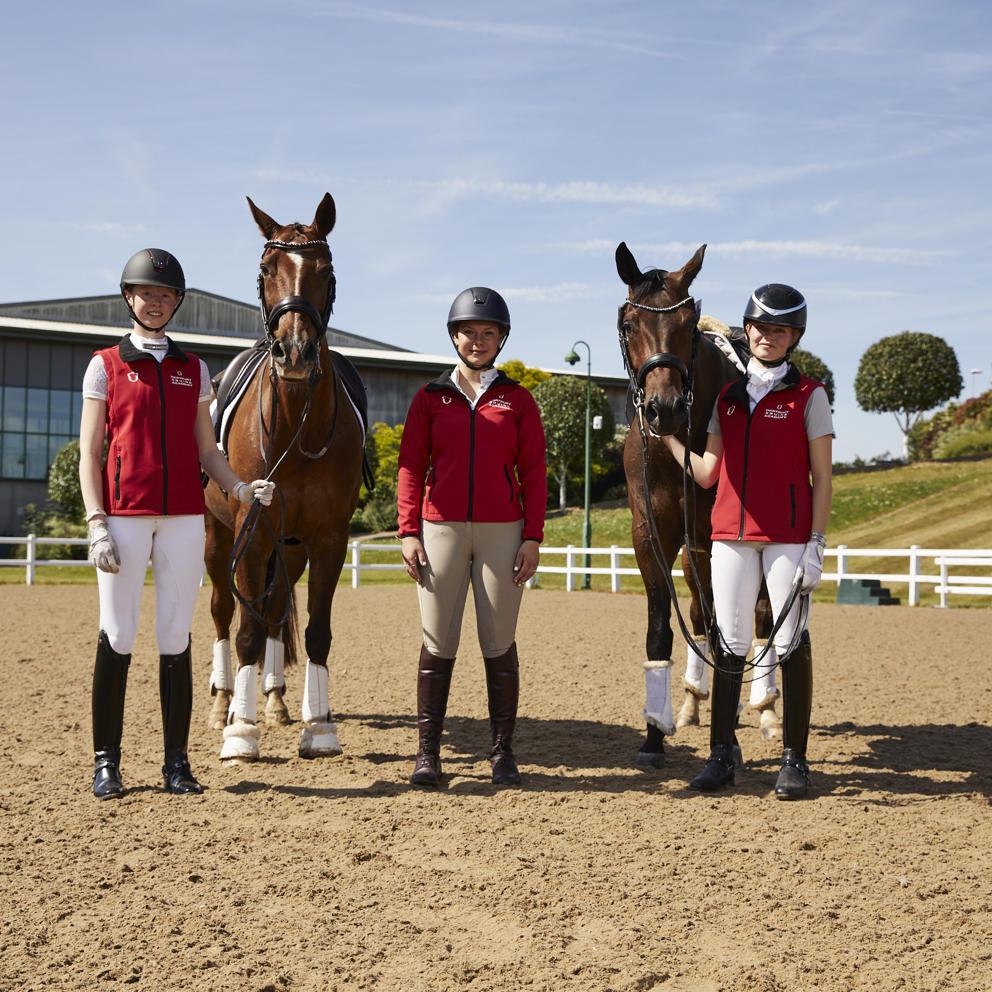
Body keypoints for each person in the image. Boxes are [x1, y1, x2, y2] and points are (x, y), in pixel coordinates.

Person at [79, 248, 275, 800]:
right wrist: (96, 522)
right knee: (117, 635)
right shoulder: (106, 365)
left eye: (165, 295)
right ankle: (106, 763)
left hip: (186, 518)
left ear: (177, 302)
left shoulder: (195, 370)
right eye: (147, 294)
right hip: (123, 516)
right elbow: (88, 452)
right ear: (129, 298)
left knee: (173, 637)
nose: (156, 302)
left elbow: (208, 452)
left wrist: (239, 488)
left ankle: (176, 764)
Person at [661, 284, 833, 799]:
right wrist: (667, 436)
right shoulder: (726, 400)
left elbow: (822, 477)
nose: (768, 336)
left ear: (793, 337)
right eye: (760, 327)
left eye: (780, 330)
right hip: (730, 536)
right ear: (749, 330)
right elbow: (708, 473)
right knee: (730, 642)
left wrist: (817, 543)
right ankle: (720, 756)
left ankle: (795, 762)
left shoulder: (810, 395)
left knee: (789, 641)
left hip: (787, 538)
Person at [397, 287, 547, 787]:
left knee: (498, 639)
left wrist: (533, 537)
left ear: (501, 337)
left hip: (504, 530)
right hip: (440, 528)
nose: (477, 341)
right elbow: (411, 467)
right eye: (469, 332)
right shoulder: (429, 398)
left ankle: (502, 753)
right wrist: (408, 530)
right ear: (454, 337)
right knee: (437, 640)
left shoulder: (518, 400)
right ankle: (428, 754)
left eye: (488, 333)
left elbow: (535, 472)